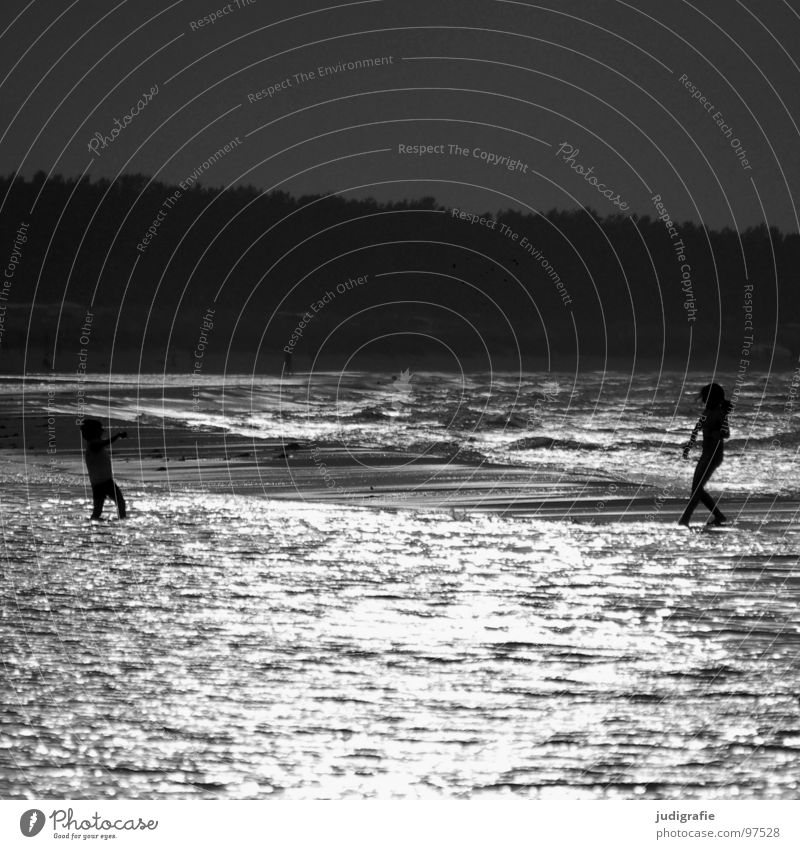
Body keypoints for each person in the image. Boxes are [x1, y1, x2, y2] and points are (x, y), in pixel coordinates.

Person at [678, 383, 731, 527]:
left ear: (716, 399)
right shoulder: (706, 412)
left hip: (714, 455)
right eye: (705, 399)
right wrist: (688, 446)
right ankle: (718, 516)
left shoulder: (720, 414)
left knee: (697, 489)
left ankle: (685, 519)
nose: (706, 401)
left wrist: (716, 433)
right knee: (697, 488)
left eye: (708, 398)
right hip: (705, 454)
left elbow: (726, 433)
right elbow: (696, 430)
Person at [79, 419, 128, 520]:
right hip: (105, 482)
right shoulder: (93, 444)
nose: (102, 432)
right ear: (94, 432)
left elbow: (103, 443)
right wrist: (118, 436)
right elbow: (105, 443)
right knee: (120, 502)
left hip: (97, 483)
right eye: (99, 430)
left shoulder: (92, 445)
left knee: (98, 510)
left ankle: (93, 522)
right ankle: (122, 521)